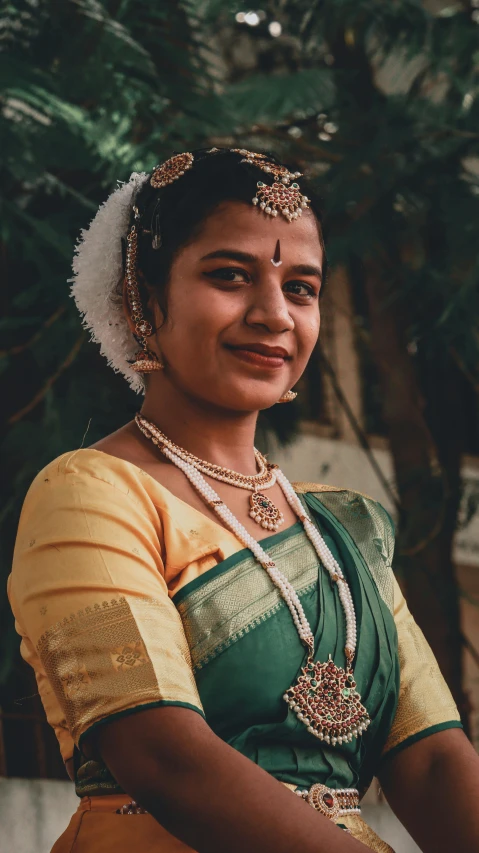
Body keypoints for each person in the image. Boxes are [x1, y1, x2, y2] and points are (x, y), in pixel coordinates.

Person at [8, 148, 479, 853]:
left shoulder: (343, 526)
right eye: (229, 276)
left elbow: (434, 761)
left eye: (302, 287)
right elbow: (166, 759)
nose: (274, 314)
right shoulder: (88, 492)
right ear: (143, 297)